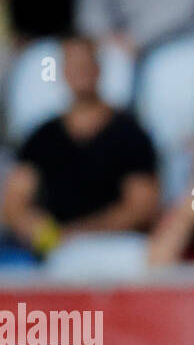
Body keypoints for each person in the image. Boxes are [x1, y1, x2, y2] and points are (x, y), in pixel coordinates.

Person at [2, 37, 159, 258]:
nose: (80, 72)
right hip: (55, 256)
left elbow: (142, 206)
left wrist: (80, 234)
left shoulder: (130, 133)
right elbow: (15, 202)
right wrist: (36, 227)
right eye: (73, 65)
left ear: (98, 69)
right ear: (63, 72)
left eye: (85, 64)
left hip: (117, 250)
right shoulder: (42, 137)